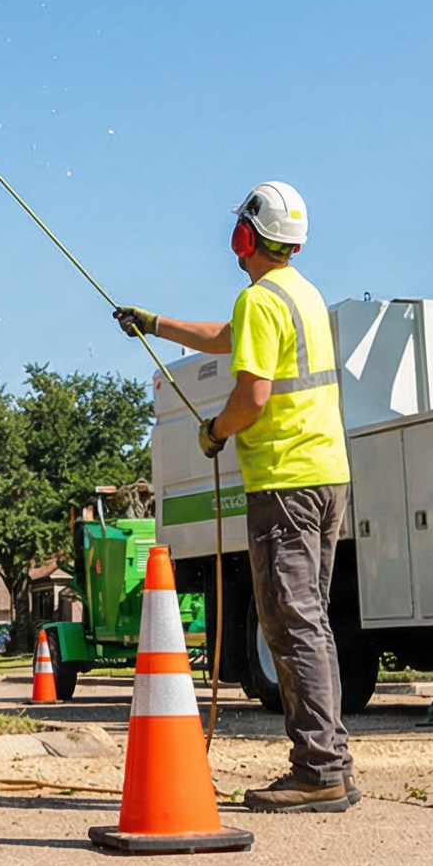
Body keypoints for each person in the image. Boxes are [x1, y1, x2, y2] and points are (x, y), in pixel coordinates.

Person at [112, 182, 356, 814]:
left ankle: (320, 771)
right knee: (312, 621)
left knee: (291, 623)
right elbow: (228, 337)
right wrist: (155, 324)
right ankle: (330, 762)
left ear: (246, 236)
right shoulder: (298, 294)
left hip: (285, 481)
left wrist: (214, 431)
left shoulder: (259, 298)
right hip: (327, 477)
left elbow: (251, 396)